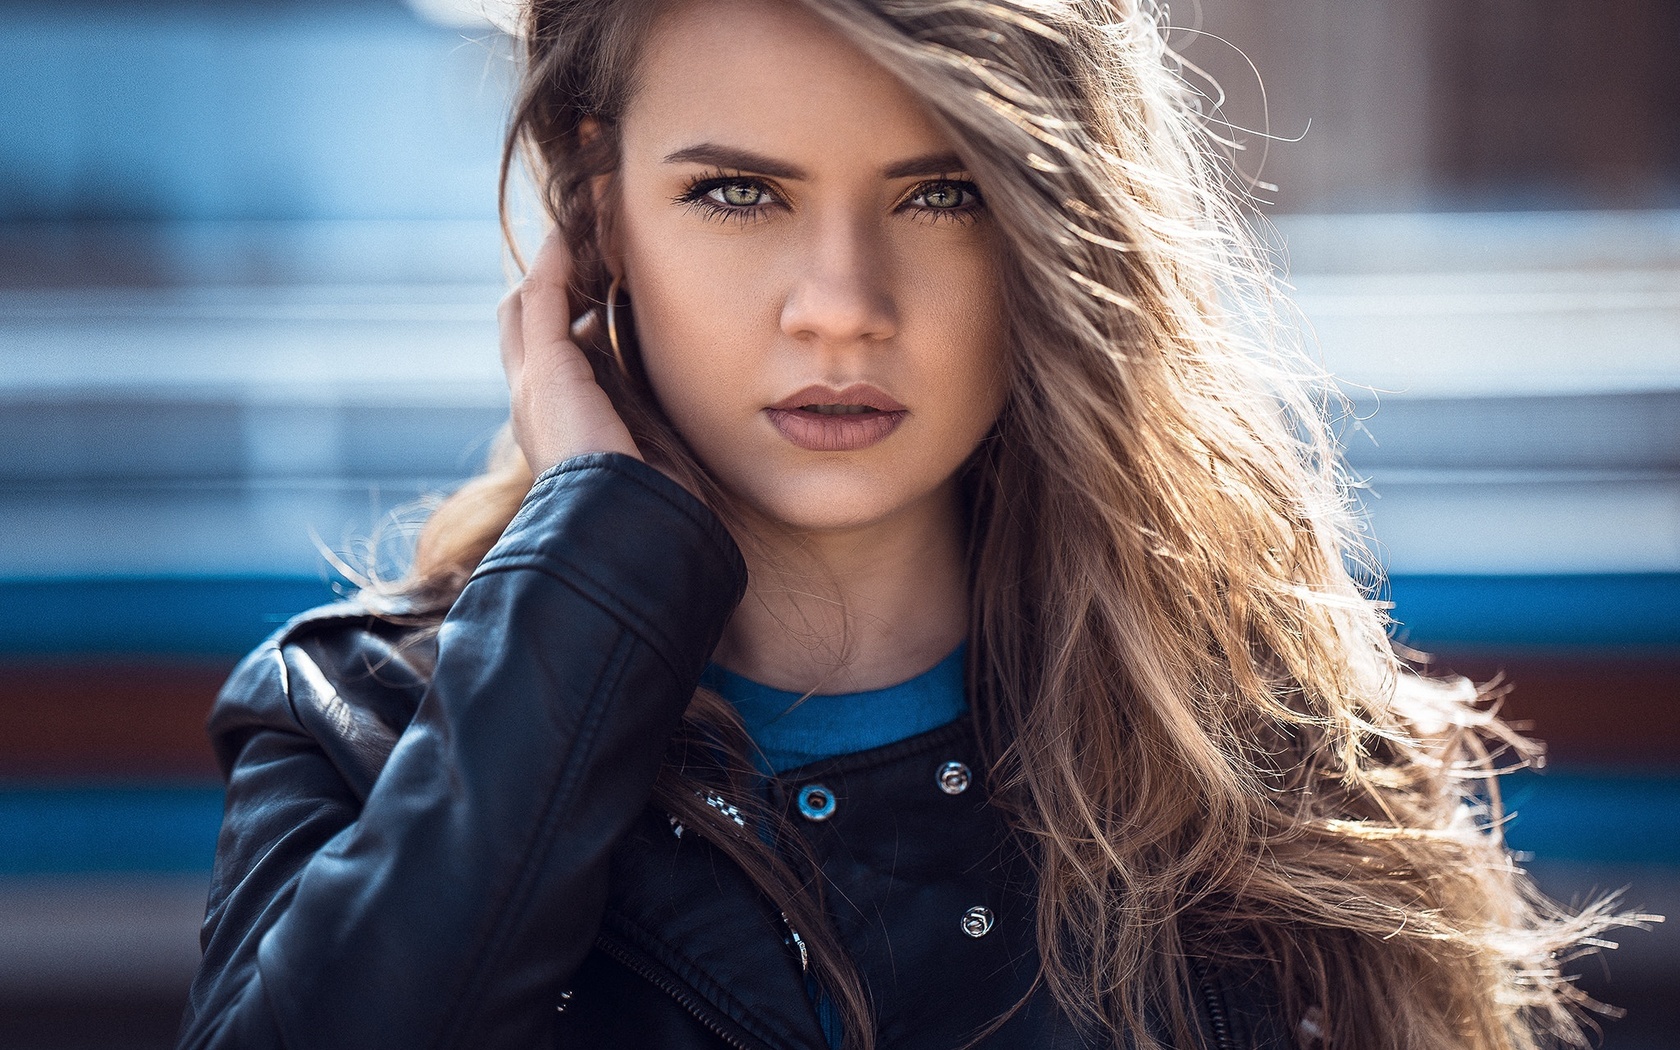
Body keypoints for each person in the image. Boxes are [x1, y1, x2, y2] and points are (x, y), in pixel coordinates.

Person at [176, 0, 1631, 1047]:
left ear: (1054, 224)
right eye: (737, 192)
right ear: (598, 210)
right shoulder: (360, 726)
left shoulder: (1271, 749)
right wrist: (591, 564)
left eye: (940, 194)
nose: (842, 303)